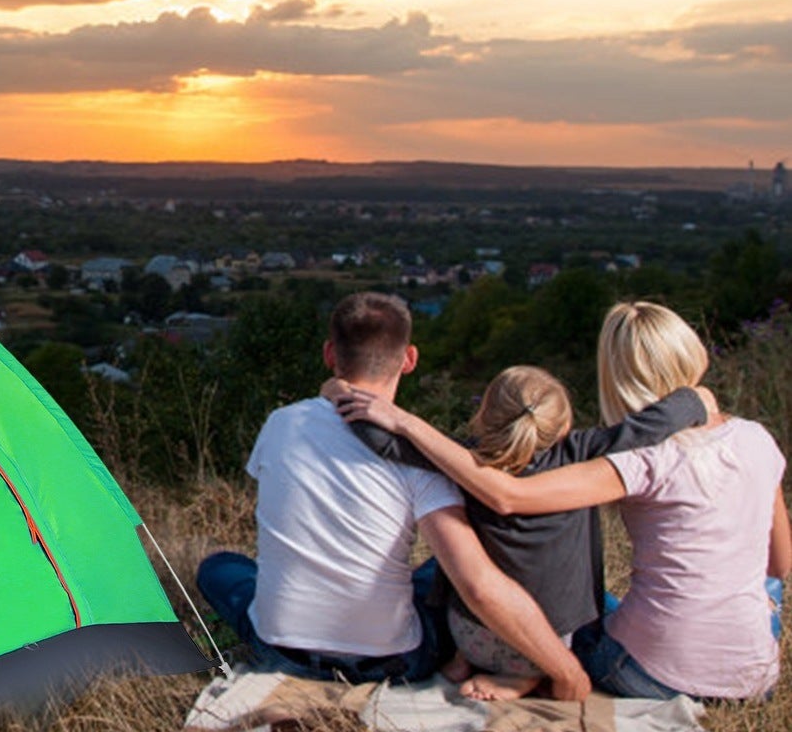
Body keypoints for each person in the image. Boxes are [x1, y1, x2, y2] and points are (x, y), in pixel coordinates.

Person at [335, 301, 792, 703]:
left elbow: (504, 494)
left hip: (646, 672)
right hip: (754, 677)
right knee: (760, 588)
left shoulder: (638, 464)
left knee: (446, 570)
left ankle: (502, 665)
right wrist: (695, 398)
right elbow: (780, 566)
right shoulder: (757, 439)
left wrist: (358, 398)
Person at [196, 292, 589, 697]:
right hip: (391, 662)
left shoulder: (281, 423)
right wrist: (567, 671)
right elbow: (477, 585)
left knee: (219, 568)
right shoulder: (420, 460)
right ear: (410, 359)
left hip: (281, 651)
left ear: (330, 354)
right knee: (448, 568)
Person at [338, 364, 708, 700]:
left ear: (483, 415)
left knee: (446, 559)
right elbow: (647, 427)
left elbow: (384, 442)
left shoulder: (461, 458)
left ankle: (463, 658)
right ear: (562, 427)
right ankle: (525, 677)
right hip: (549, 642)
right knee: (591, 597)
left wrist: (338, 391)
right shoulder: (580, 454)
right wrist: (695, 398)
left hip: (470, 633)